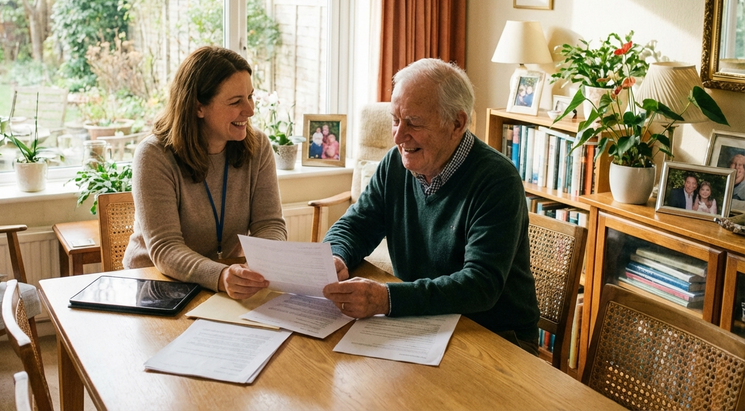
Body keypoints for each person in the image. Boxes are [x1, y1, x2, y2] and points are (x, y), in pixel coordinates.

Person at [321, 58, 540, 355]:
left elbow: (479, 285)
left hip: (494, 337)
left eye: (413, 122)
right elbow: (356, 225)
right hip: (426, 323)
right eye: (395, 120)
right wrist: (336, 256)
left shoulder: (496, 180)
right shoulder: (395, 165)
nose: (398, 136)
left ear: (457, 123)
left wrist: (386, 299)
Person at [122, 46, 287, 300]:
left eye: (250, 97)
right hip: (155, 283)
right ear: (199, 107)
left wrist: (263, 264)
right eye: (235, 102)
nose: (250, 110)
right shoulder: (153, 155)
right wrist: (221, 276)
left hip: (220, 284)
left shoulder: (259, 146)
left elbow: (270, 224)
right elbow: (166, 248)